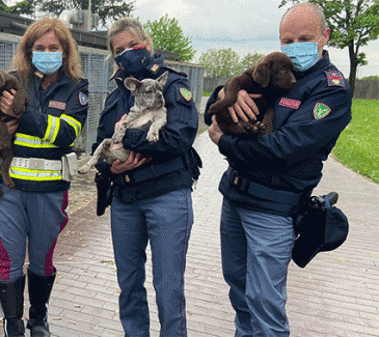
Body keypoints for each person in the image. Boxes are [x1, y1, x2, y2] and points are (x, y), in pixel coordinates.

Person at [204, 3, 352, 336]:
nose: (294, 46)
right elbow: (210, 113)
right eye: (287, 39)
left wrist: (223, 142)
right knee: (240, 293)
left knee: (264, 305)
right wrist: (226, 93)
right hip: (235, 198)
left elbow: (284, 150)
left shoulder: (330, 89)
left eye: (304, 37)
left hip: (273, 210)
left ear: (324, 37)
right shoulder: (274, 71)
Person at [0, 18, 88, 337]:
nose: (46, 53)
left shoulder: (76, 88)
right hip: (7, 192)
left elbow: (66, 134)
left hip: (49, 192)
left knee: (41, 261)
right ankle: (13, 323)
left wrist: (25, 114)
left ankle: (38, 319)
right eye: (39, 48)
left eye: (53, 48)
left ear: (65, 52)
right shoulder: (11, 80)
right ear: (28, 50)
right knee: (9, 259)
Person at [92, 17, 201, 337]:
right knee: (129, 287)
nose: (127, 53)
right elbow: (101, 142)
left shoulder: (173, 84)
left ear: (147, 45)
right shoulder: (115, 97)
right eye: (119, 50)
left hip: (167, 197)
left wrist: (126, 142)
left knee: (168, 289)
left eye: (132, 46)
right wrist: (110, 166)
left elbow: (179, 137)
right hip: (125, 201)